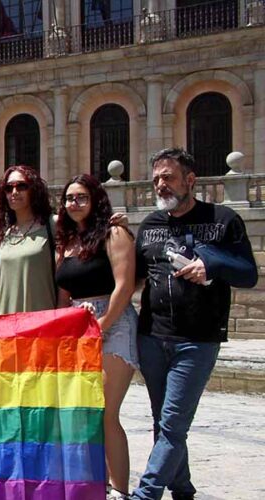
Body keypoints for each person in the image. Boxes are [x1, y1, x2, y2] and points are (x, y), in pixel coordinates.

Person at [131, 148, 257, 500]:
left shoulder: (222, 219)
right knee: (163, 422)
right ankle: (183, 489)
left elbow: (248, 273)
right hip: (152, 336)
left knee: (173, 424)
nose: (160, 185)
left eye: (168, 177)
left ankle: (146, 493)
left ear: (190, 180)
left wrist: (211, 267)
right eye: (157, 178)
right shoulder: (150, 225)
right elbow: (136, 277)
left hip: (197, 340)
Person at [53, 174, 138, 499]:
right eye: (70, 198)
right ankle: (97, 482)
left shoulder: (114, 233)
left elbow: (124, 285)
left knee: (105, 410)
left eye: (81, 197)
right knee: (86, 411)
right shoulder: (68, 241)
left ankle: (119, 490)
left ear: (96, 200)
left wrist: (102, 324)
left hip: (112, 322)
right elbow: (64, 290)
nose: (74, 204)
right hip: (77, 325)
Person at [0, 165, 58, 314]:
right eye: (8, 188)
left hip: (43, 324)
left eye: (21, 186)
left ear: (34, 189)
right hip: (7, 327)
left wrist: (117, 224)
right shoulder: (3, 234)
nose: (14, 192)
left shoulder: (52, 225)